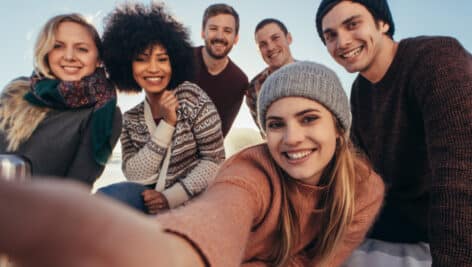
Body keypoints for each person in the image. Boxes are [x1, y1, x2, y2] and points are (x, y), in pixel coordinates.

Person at [0, 61, 384, 267]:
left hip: (181, 196)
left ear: (339, 126)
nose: (293, 138)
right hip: (183, 214)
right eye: (275, 124)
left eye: (309, 118)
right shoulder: (252, 170)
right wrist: (174, 251)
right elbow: (222, 206)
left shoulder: (365, 189)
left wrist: (172, 195)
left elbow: (210, 160)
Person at [316, 0, 472, 266]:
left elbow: (461, 171)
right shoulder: (360, 91)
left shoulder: (436, 58)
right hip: (405, 214)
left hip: (451, 216)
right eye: (330, 36)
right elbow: (362, 174)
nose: (341, 42)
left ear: (382, 23)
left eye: (352, 24)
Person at [97, 3, 225, 214]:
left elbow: (214, 160)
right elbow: (135, 175)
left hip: (194, 200)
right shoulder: (131, 118)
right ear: (128, 66)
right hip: (146, 200)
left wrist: (170, 197)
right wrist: (167, 124)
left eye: (162, 59)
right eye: (142, 60)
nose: (154, 68)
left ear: (174, 62)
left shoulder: (192, 97)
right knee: (103, 200)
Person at [0, 13, 121, 186]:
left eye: (82, 49)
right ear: (47, 53)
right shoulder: (16, 91)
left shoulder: (104, 112)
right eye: (58, 46)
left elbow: (77, 189)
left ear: (98, 59)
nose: (69, 56)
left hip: (41, 210)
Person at [190, 3, 248, 137]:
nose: (220, 36)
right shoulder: (181, 58)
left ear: (236, 38)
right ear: (203, 32)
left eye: (227, 31)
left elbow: (219, 134)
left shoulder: (238, 81)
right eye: (213, 28)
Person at [246, 18, 295, 132]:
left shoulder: (314, 76)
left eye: (275, 38)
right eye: (263, 44)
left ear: (289, 38)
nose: (270, 47)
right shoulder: (254, 88)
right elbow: (266, 134)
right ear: (258, 51)